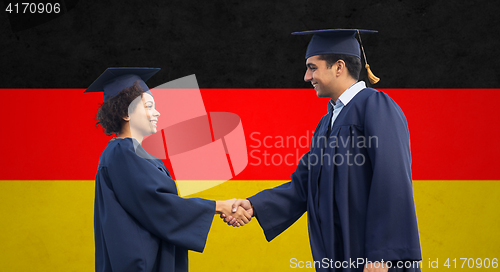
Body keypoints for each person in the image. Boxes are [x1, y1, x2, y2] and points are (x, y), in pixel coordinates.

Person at [224, 29, 422, 272]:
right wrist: (255, 206)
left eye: (312, 67)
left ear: (338, 67)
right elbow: (304, 183)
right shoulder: (327, 122)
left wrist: (383, 254)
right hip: (336, 254)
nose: (307, 76)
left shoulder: (375, 106)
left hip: (370, 256)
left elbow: (393, 180)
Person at [85, 68, 251, 272]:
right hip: (139, 264)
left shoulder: (137, 154)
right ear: (123, 113)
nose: (157, 112)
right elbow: (157, 204)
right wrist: (218, 206)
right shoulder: (122, 152)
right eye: (148, 106)